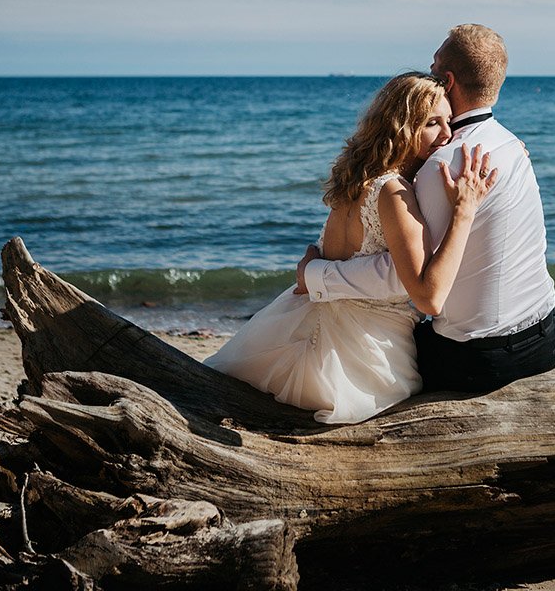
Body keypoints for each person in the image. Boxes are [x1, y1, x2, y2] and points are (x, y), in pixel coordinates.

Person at [204, 72, 498, 423]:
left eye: (448, 122)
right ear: (402, 127)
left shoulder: (355, 179)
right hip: (361, 358)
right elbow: (428, 296)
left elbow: (326, 253)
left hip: (295, 325)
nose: (448, 135)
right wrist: (464, 211)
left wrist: (310, 270)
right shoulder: (393, 192)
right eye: (433, 123)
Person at [297, 25, 555, 392]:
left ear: (446, 81)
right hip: (546, 340)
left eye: (433, 64)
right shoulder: (510, 145)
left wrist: (315, 275)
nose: (429, 70)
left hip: (478, 360)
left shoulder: (443, 166)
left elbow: (408, 279)